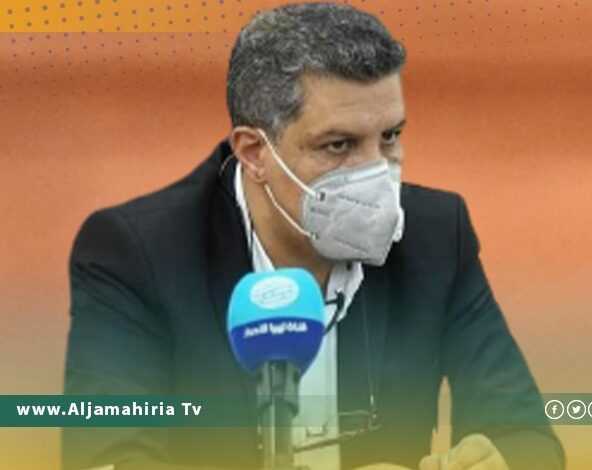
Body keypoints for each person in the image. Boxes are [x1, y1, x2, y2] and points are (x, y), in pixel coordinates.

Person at [62, 3, 565, 470]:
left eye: (390, 137)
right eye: (339, 145)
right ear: (254, 153)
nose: (375, 172)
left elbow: (529, 440)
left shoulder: (434, 236)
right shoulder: (135, 254)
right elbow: (107, 459)